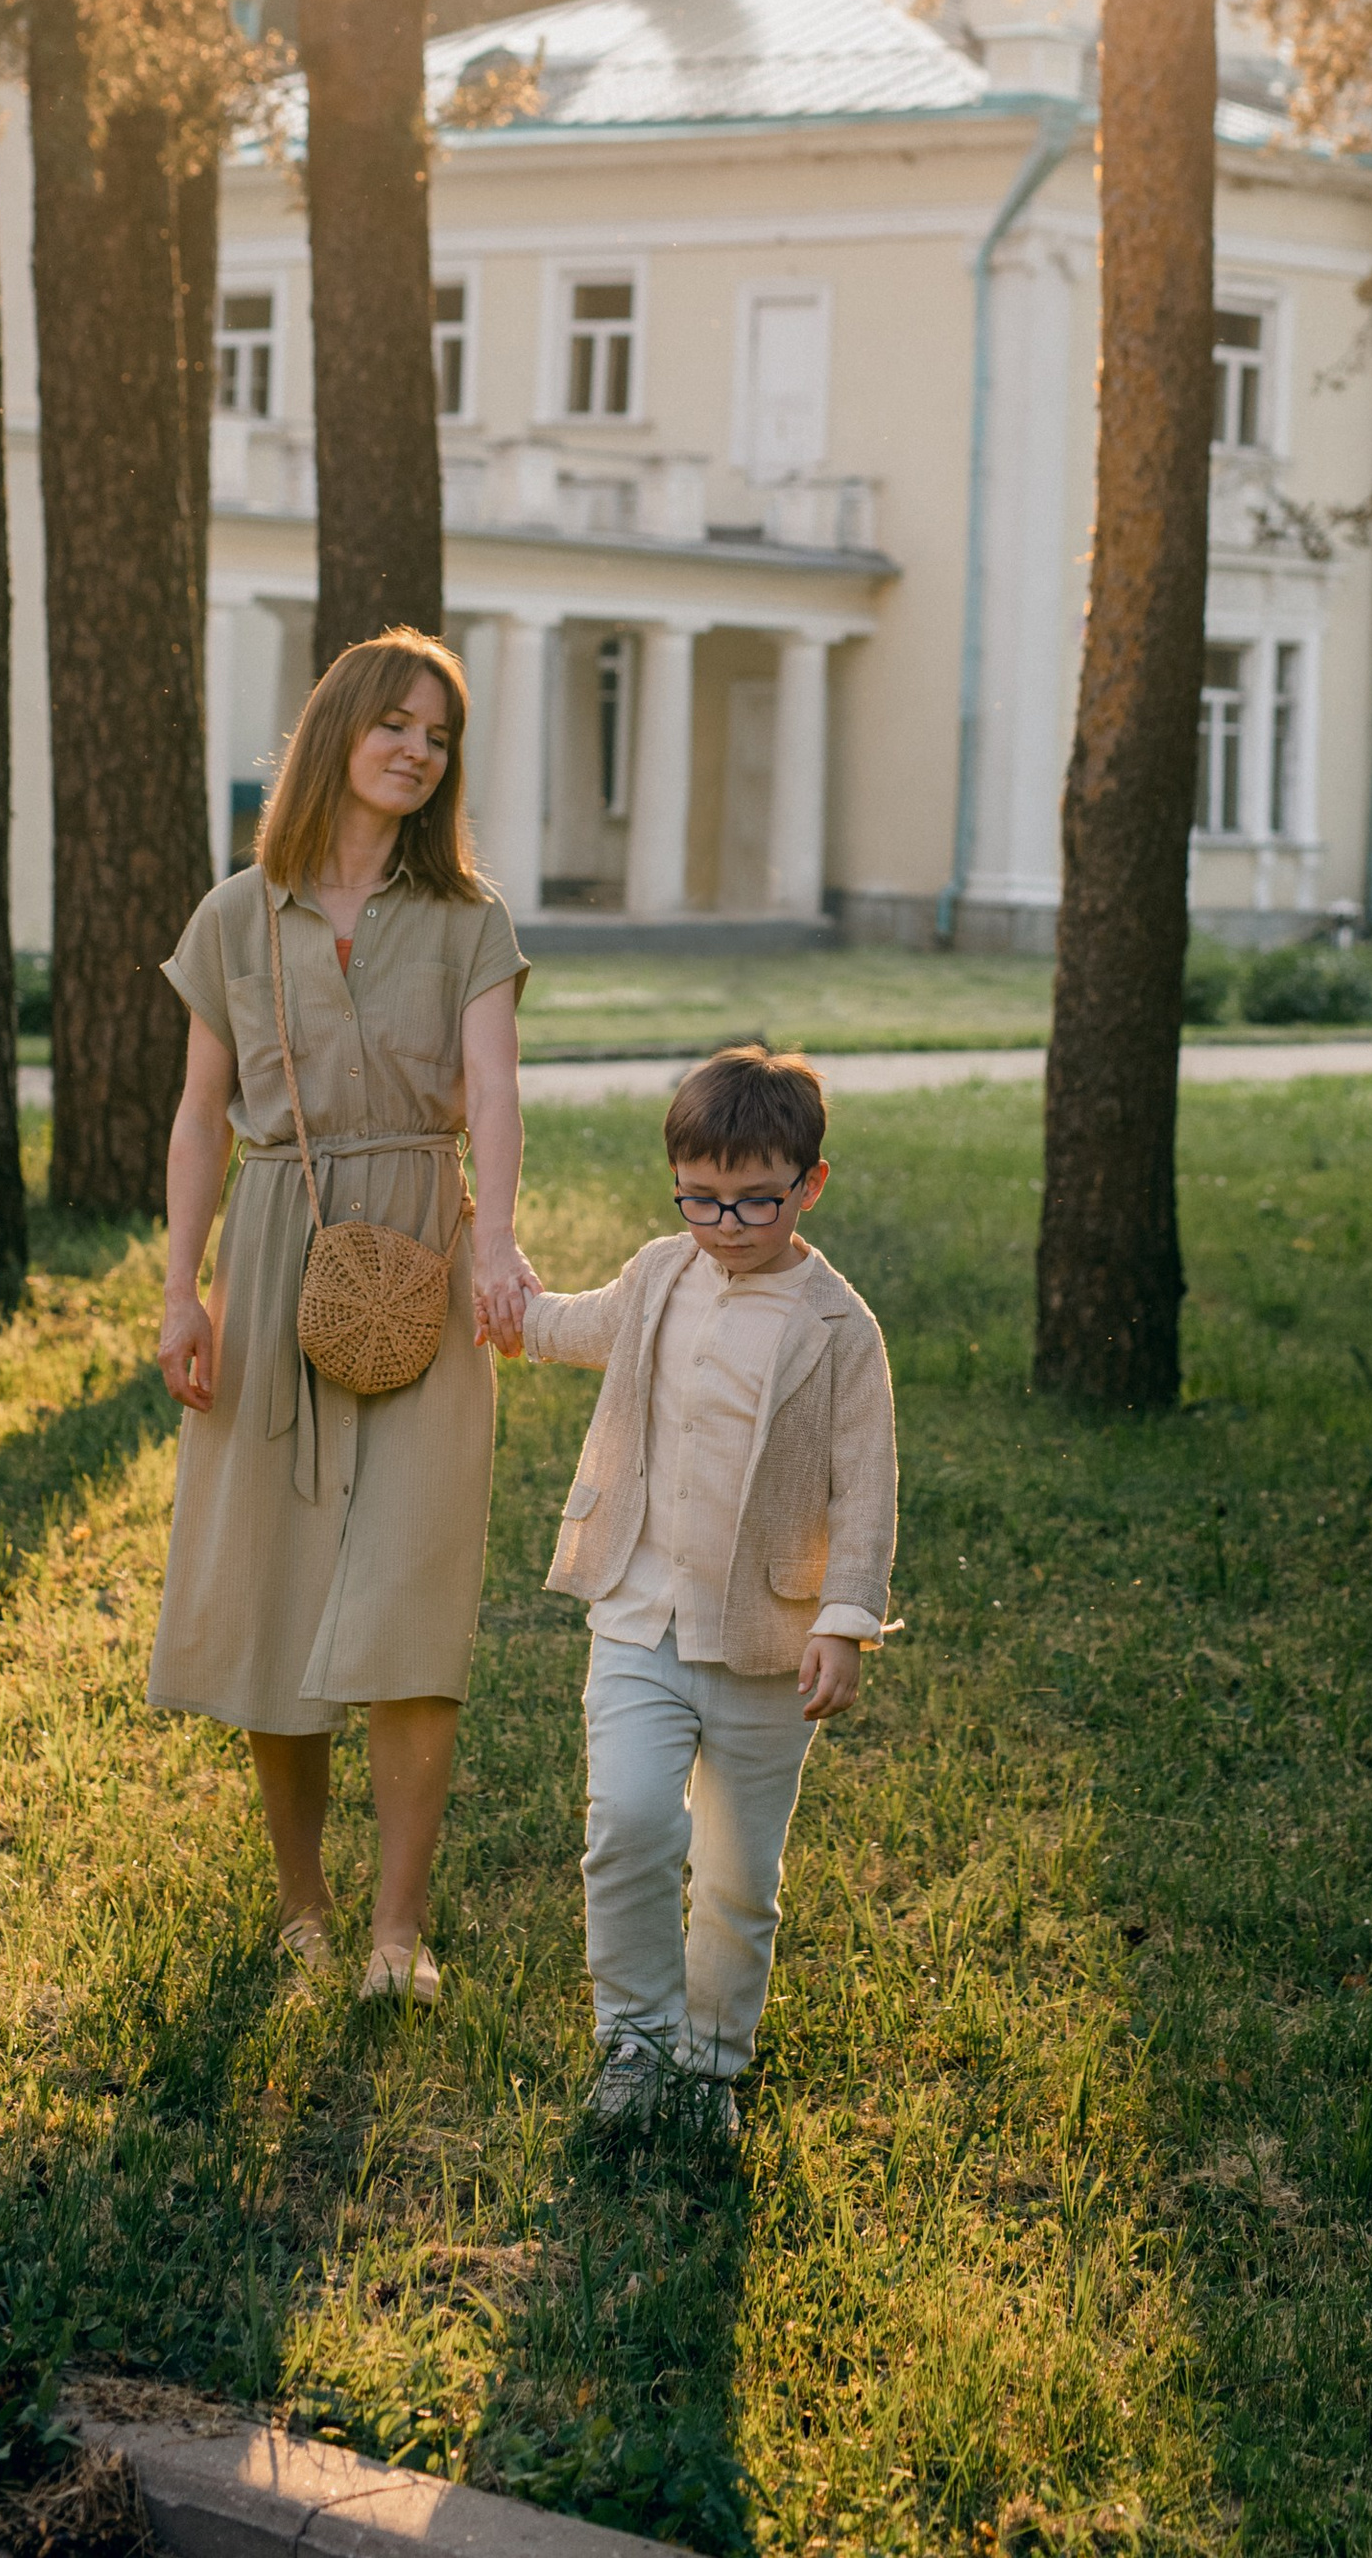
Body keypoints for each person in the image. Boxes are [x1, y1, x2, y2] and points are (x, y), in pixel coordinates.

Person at [149, 626, 537, 2004]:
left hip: (422, 1257)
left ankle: (398, 1933)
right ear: (339, 732)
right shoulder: (236, 915)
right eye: (398, 726)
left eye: (441, 736)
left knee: (412, 1601)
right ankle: (304, 1905)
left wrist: (496, 1237)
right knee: (277, 1593)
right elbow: (202, 1116)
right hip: (269, 1257)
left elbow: (491, 1091)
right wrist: (180, 1290)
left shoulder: (471, 919)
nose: (419, 752)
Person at [497, 1045, 898, 2126]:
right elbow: (574, 1325)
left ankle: (710, 2064)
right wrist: (508, 1303)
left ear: (809, 1184)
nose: (722, 1226)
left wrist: (845, 1622)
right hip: (638, 1615)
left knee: (734, 1876)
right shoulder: (660, 1272)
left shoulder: (837, 1331)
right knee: (627, 1822)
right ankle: (633, 2046)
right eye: (699, 1201)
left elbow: (865, 1492)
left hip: (767, 1642)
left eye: (752, 1203)